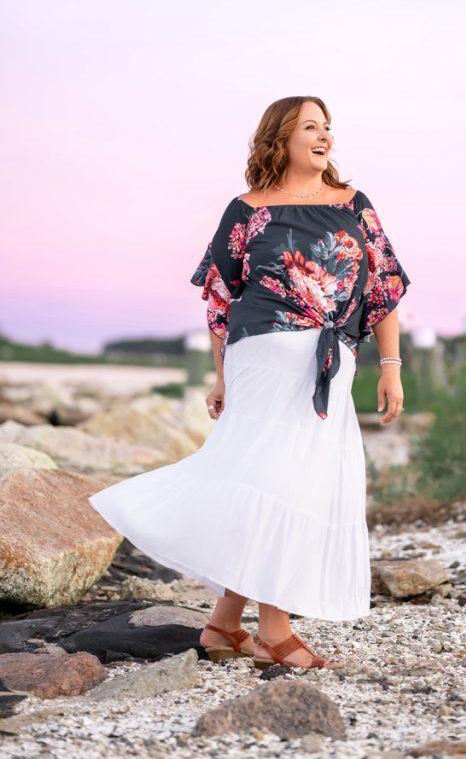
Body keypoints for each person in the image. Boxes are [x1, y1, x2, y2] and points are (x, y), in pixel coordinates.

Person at [89, 95, 411, 670]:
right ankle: (274, 631)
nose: (325, 136)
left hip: (330, 356)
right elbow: (219, 297)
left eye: (328, 127)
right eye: (310, 127)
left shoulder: (354, 205)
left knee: (284, 482)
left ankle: (222, 625)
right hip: (261, 356)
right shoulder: (246, 210)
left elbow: (383, 288)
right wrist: (220, 377)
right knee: (275, 481)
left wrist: (391, 366)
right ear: (280, 137)